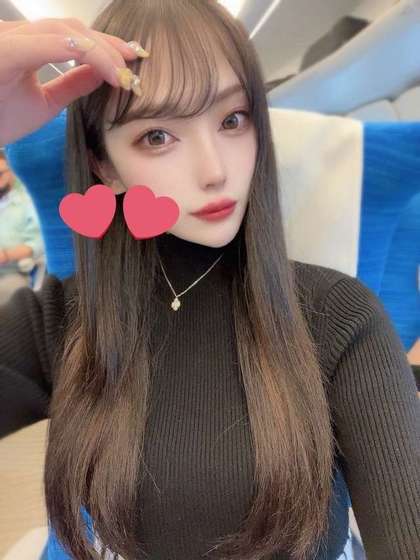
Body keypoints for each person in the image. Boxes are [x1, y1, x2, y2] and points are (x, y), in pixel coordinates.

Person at [0, 4, 419, 560]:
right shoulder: (61, 320)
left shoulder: (339, 317)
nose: (214, 170)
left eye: (232, 120)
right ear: (106, 166)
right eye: (157, 136)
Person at [0, 151, 45, 304]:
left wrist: (5, 255)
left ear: (12, 171)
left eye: (0, 174)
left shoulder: (28, 203)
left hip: (14, 273)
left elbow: (38, 243)